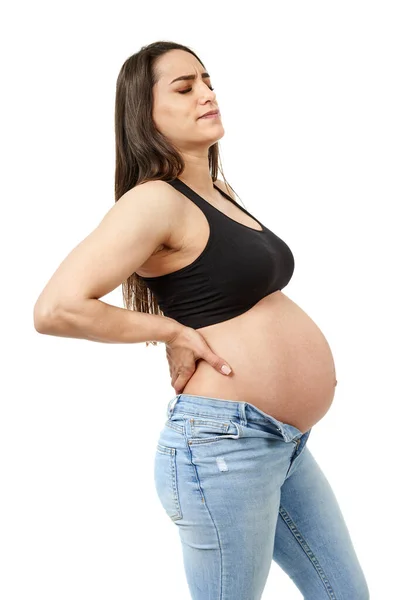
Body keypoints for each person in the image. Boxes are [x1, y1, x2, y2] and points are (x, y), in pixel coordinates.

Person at [33, 41, 369, 599]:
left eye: (208, 82)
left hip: (280, 443)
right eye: (185, 88)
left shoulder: (216, 191)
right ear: (144, 113)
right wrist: (170, 330)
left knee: (345, 593)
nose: (207, 95)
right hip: (223, 447)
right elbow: (57, 308)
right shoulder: (153, 201)